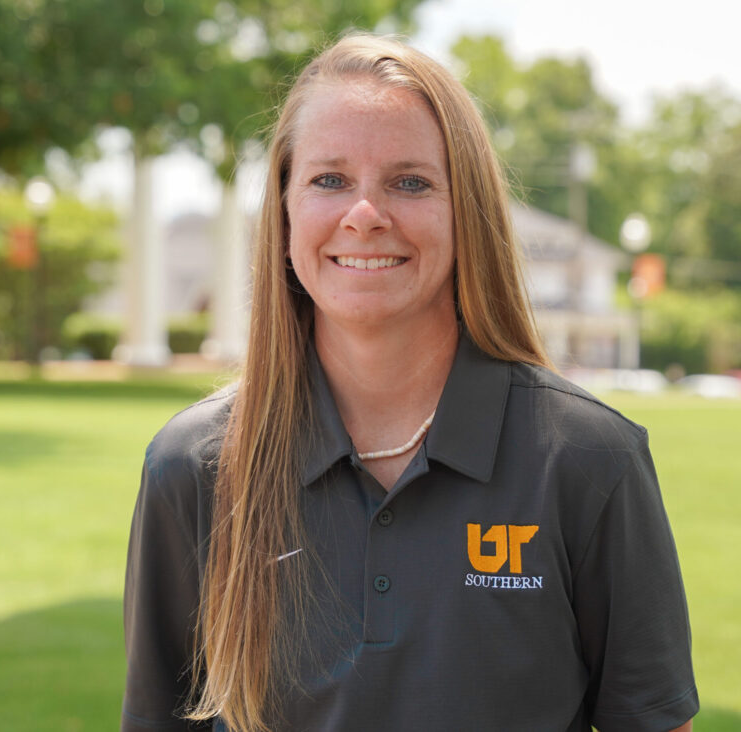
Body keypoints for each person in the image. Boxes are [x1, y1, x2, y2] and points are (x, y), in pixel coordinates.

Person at [122, 33, 698, 732]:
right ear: (283, 214)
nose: (365, 215)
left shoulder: (588, 459)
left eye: (410, 182)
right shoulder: (194, 466)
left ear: (469, 213)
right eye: (329, 180)